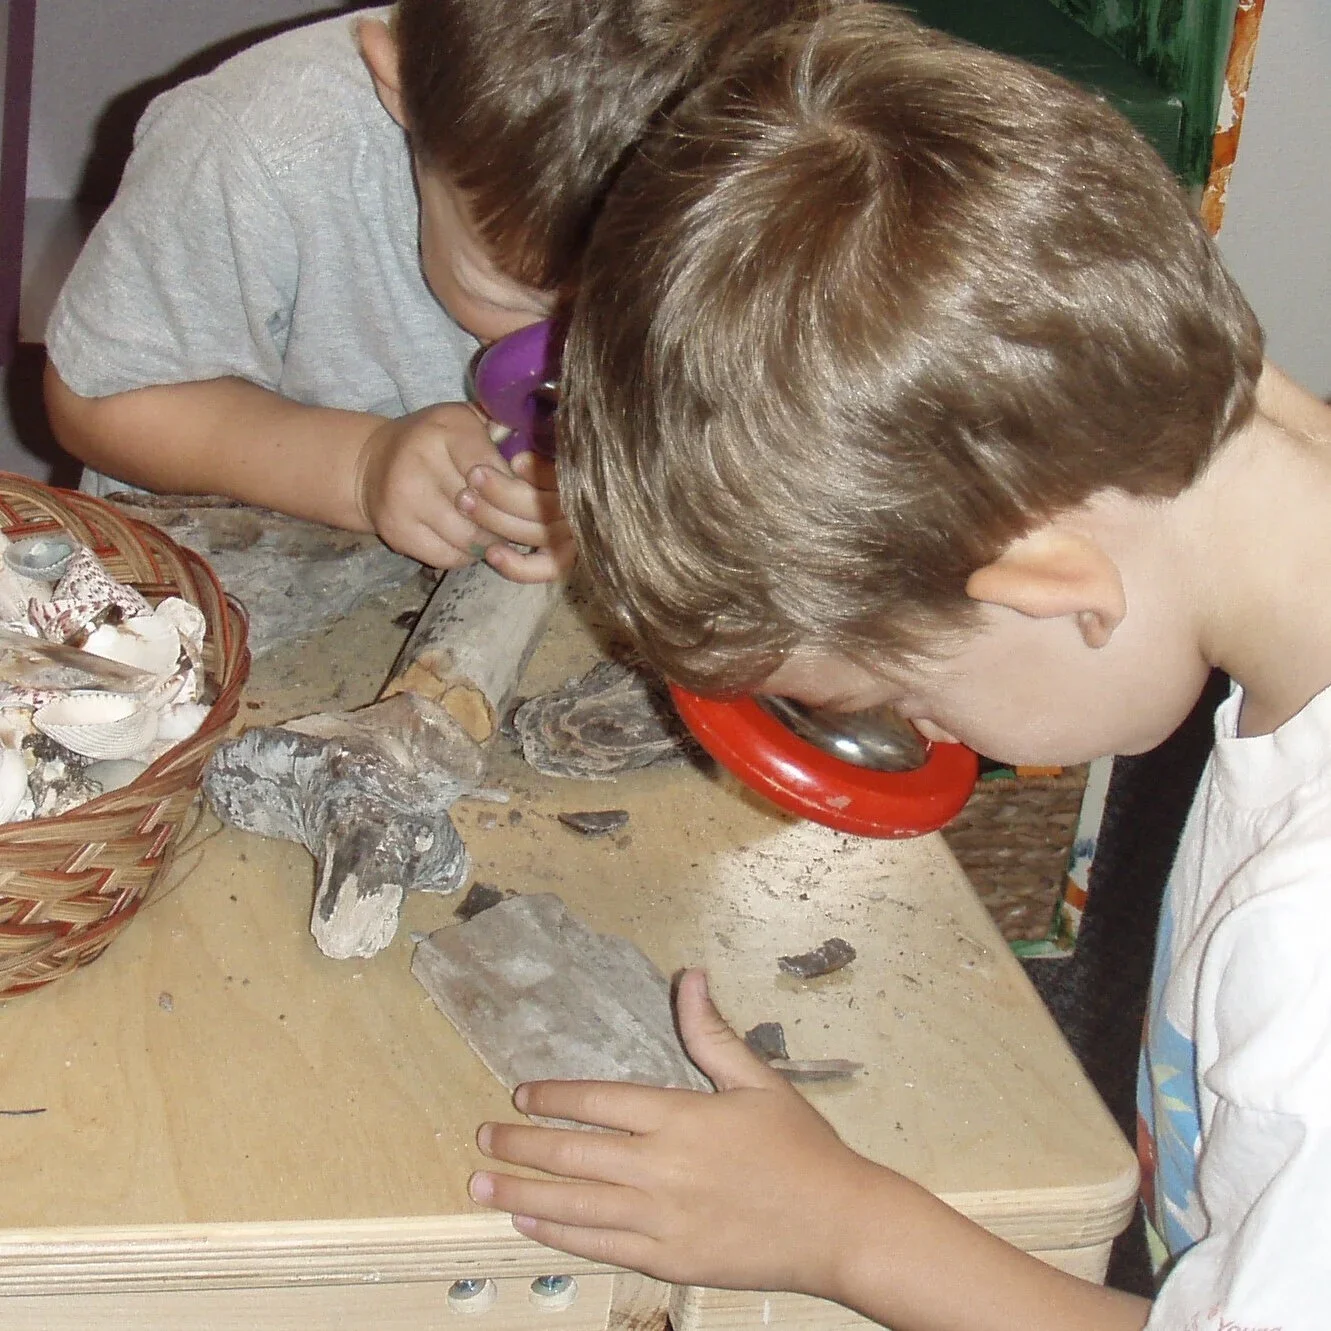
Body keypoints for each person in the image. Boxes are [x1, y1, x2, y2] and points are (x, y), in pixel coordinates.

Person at [465, 7, 1331, 1328]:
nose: (933, 729)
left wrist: (843, 1231)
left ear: (1049, 586)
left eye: (913, 696)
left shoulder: (1305, 942)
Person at [42, 0, 829, 582]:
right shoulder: (249, 152)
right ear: (401, 90)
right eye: (522, 292)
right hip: (201, 599)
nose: (574, 344)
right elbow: (96, 400)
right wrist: (357, 466)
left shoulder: (784, 161)